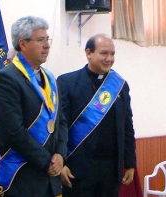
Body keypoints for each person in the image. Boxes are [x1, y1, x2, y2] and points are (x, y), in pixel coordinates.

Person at [0, 16, 68, 197]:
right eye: (40, 40)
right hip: (21, 176)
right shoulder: (6, 79)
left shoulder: (50, 78)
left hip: (50, 177)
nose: (47, 45)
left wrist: (60, 155)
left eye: (47, 39)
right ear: (22, 44)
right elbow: (12, 131)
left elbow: (60, 122)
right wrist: (46, 161)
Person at [57, 34, 136, 197]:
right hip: (77, 168)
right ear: (89, 53)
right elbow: (60, 127)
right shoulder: (67, 82)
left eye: (112, 54)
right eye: (104, 53)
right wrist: (61, 162)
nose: (109, 58)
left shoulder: (119, 85)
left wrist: (130, 163)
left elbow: (127, 126)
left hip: (111, 169)